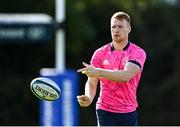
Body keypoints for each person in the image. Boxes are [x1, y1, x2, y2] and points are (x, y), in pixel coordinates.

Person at [77, 11, 146, 126]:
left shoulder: (137, 52)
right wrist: (89, 97)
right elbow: (92, 82)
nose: (116, 30)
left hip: (128, 110)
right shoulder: (99, 53)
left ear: (129, 28)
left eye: (120, 26)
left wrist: (98, 71)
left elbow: (126, 76)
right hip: (105, 109)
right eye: (113, 27)